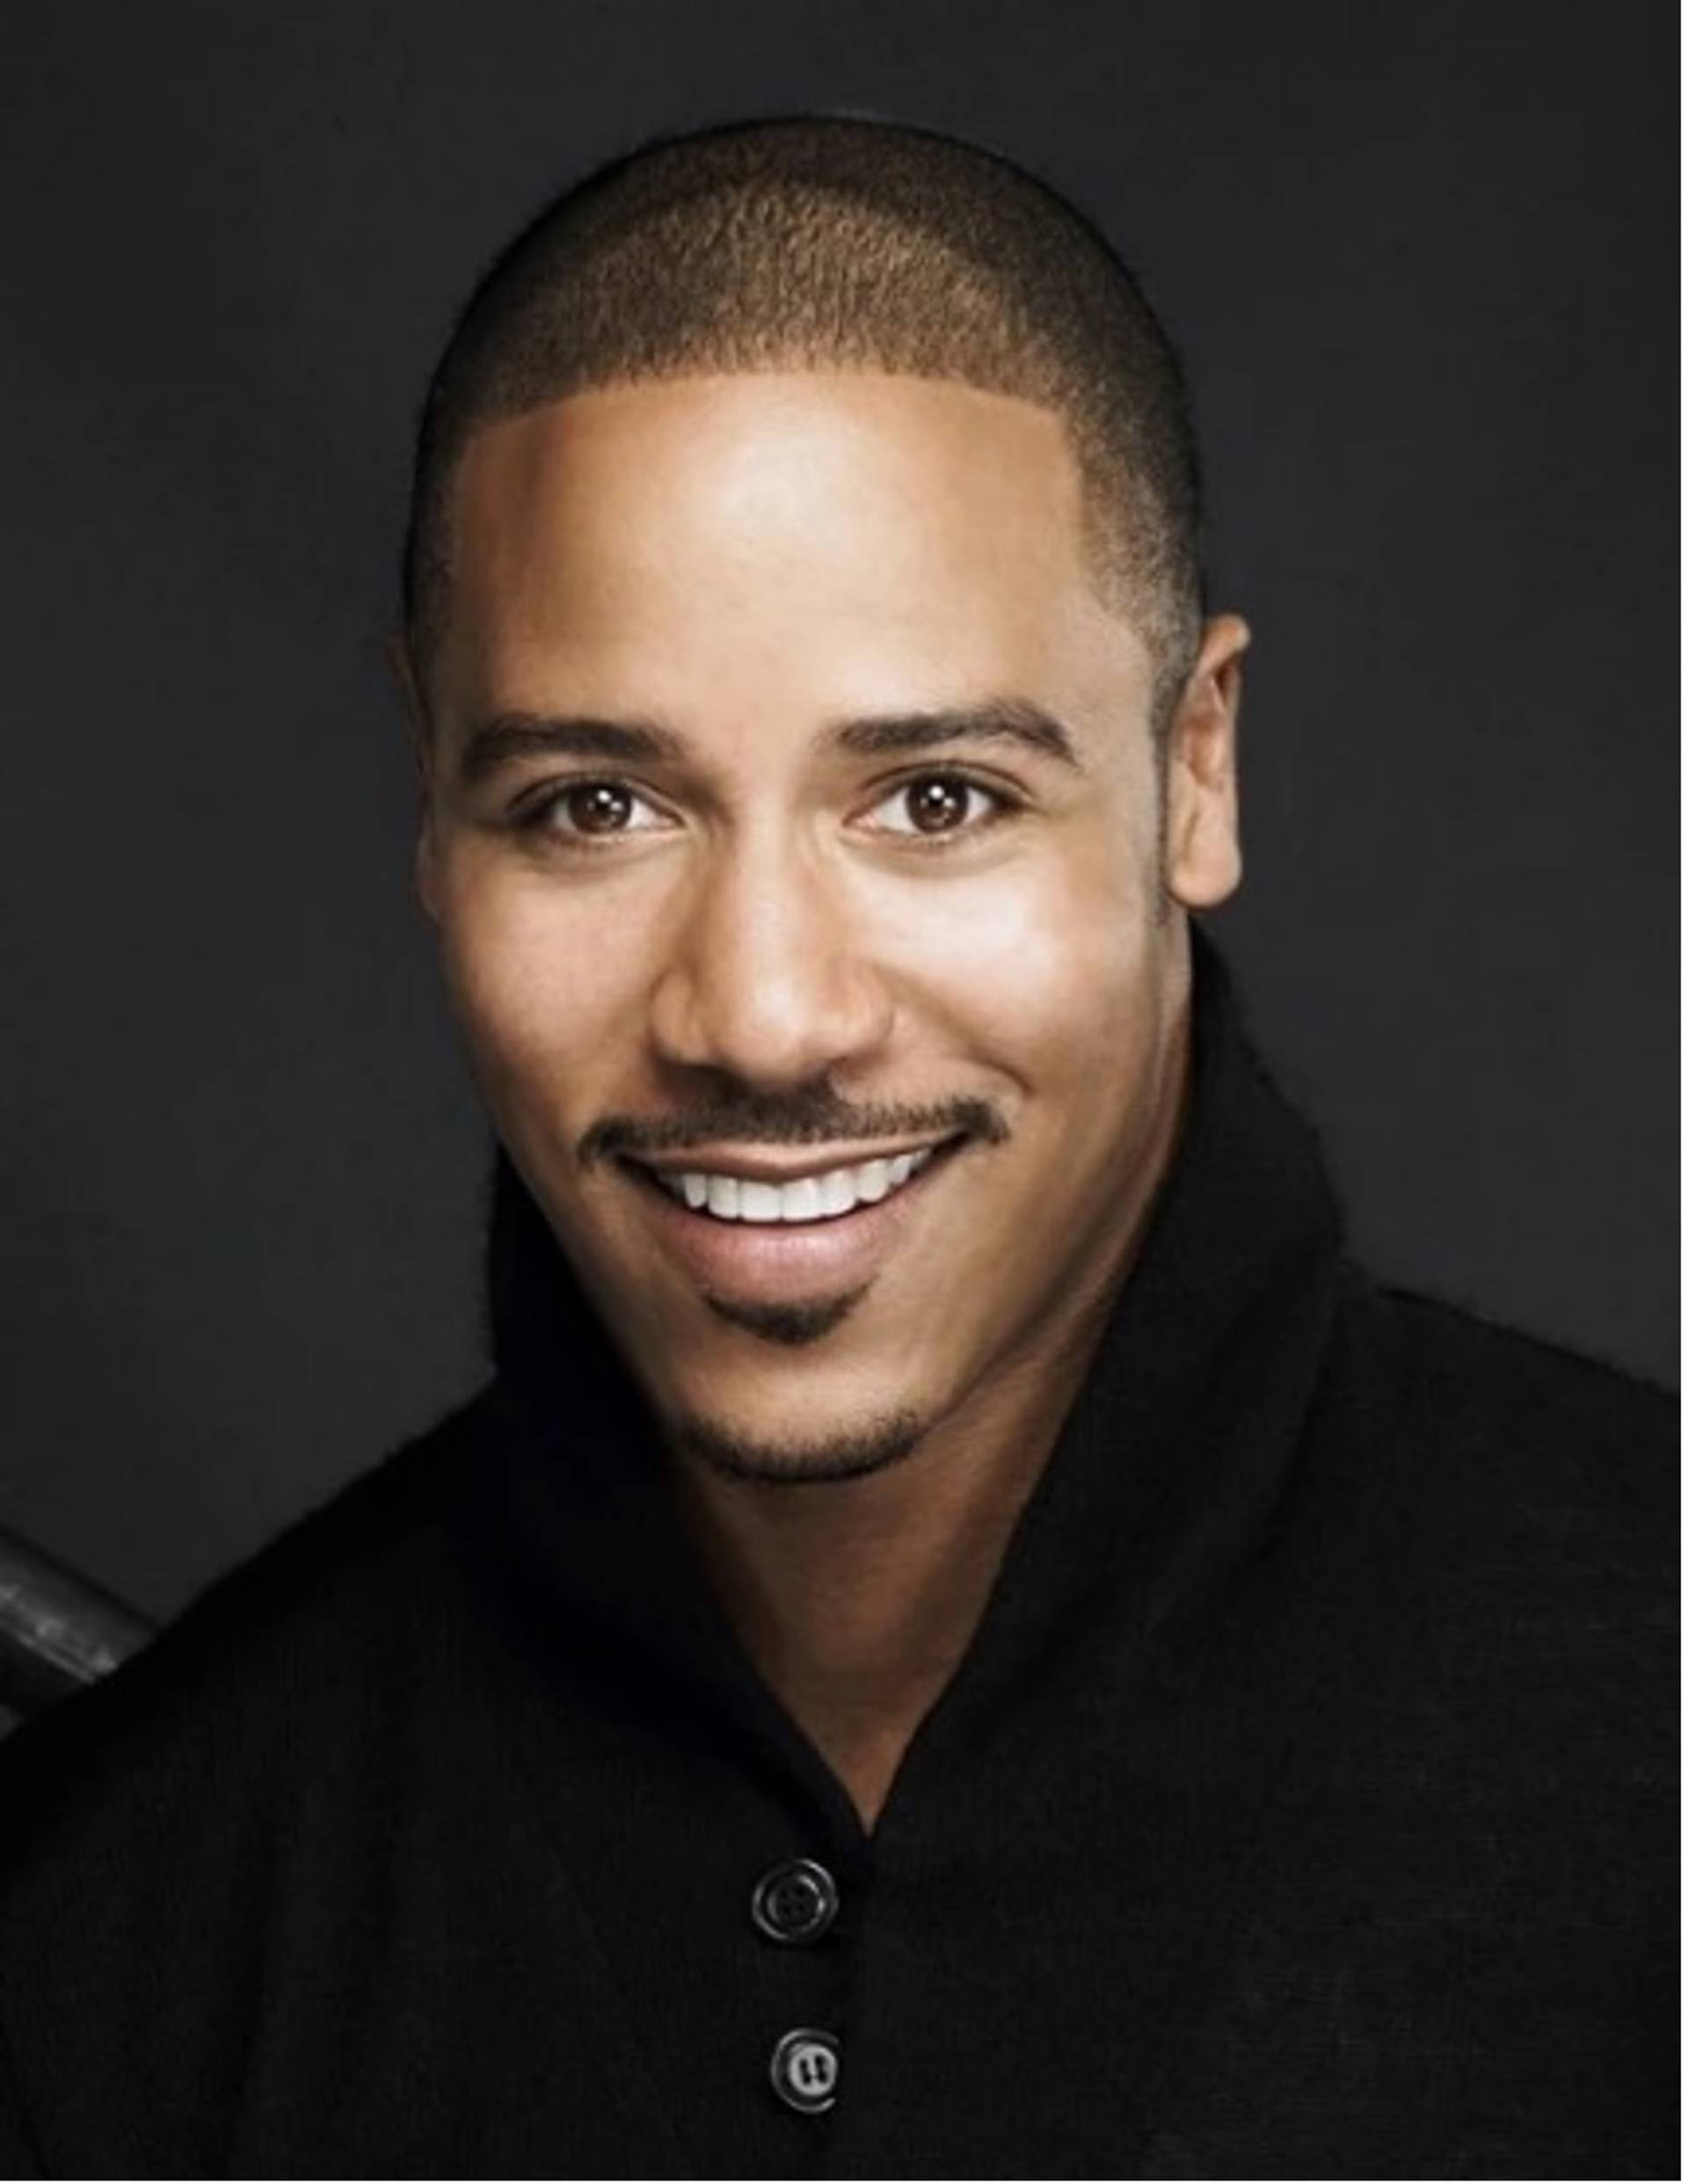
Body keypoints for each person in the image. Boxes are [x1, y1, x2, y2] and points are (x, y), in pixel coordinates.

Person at [0, 114, 1672, 2180]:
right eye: (597, 808)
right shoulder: (117, 1941)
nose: (766, 1016)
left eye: (939, 800)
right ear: (431, 810)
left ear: (1195, 772)